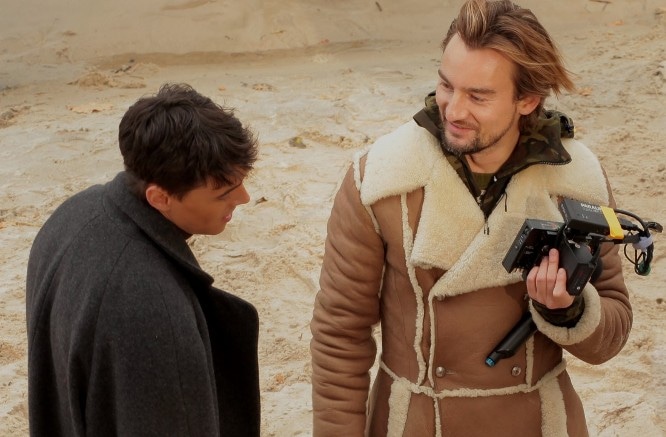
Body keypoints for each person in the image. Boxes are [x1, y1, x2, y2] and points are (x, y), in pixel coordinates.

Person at [310, 1, 632, 436]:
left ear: (527, 100)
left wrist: (566, 310)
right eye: (447, 85)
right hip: (416, 423)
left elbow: (612, 333)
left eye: (478, 96)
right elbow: (339, 336)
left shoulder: (576, 181)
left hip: (538, 423)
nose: (454, 110)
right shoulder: (380, 180)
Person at [26, 83, 260, 437]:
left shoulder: (72, 215)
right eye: (225, 192)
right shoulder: (153, 308)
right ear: (160, 198)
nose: (244, 198)